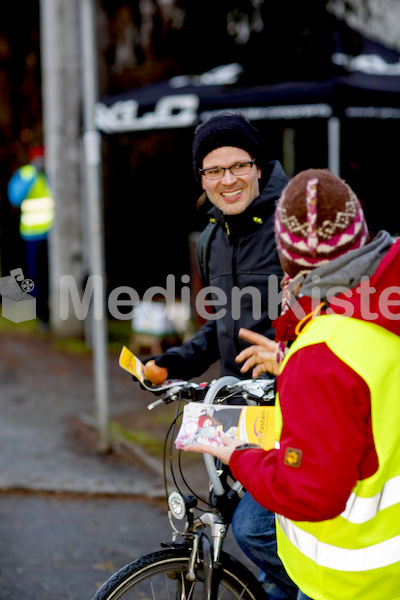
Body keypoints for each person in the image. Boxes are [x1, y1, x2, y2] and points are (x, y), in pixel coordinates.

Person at [185, 168, 400, 600]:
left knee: (252, 527)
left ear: (288, 258)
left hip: (354, 580)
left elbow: (310, 493)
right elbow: (368, 370)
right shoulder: (377, 302)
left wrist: (237, 454)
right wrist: (291, 359)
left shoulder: (322, 352)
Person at [143, 112, 297, 598]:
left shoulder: (291, 226)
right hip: (242, 415)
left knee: (254, 528)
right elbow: (219, 327)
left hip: (296, 407)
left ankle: (330, 584)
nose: (227, 180)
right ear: (202, 179)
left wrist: (290, 355)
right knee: (241, 529)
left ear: (258, 167)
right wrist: (172, 363)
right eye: (214, 170)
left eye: (238, 166)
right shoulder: (212, 239)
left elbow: (337, 316)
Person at [7, 144, 54, 326]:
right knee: (36, 276)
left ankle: (55, 313)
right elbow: (15, 198)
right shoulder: (26, 174)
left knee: (54, 276)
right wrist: (34, 173)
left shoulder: (55, 172)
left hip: (54, 235)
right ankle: (41, 316)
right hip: (33, 235)